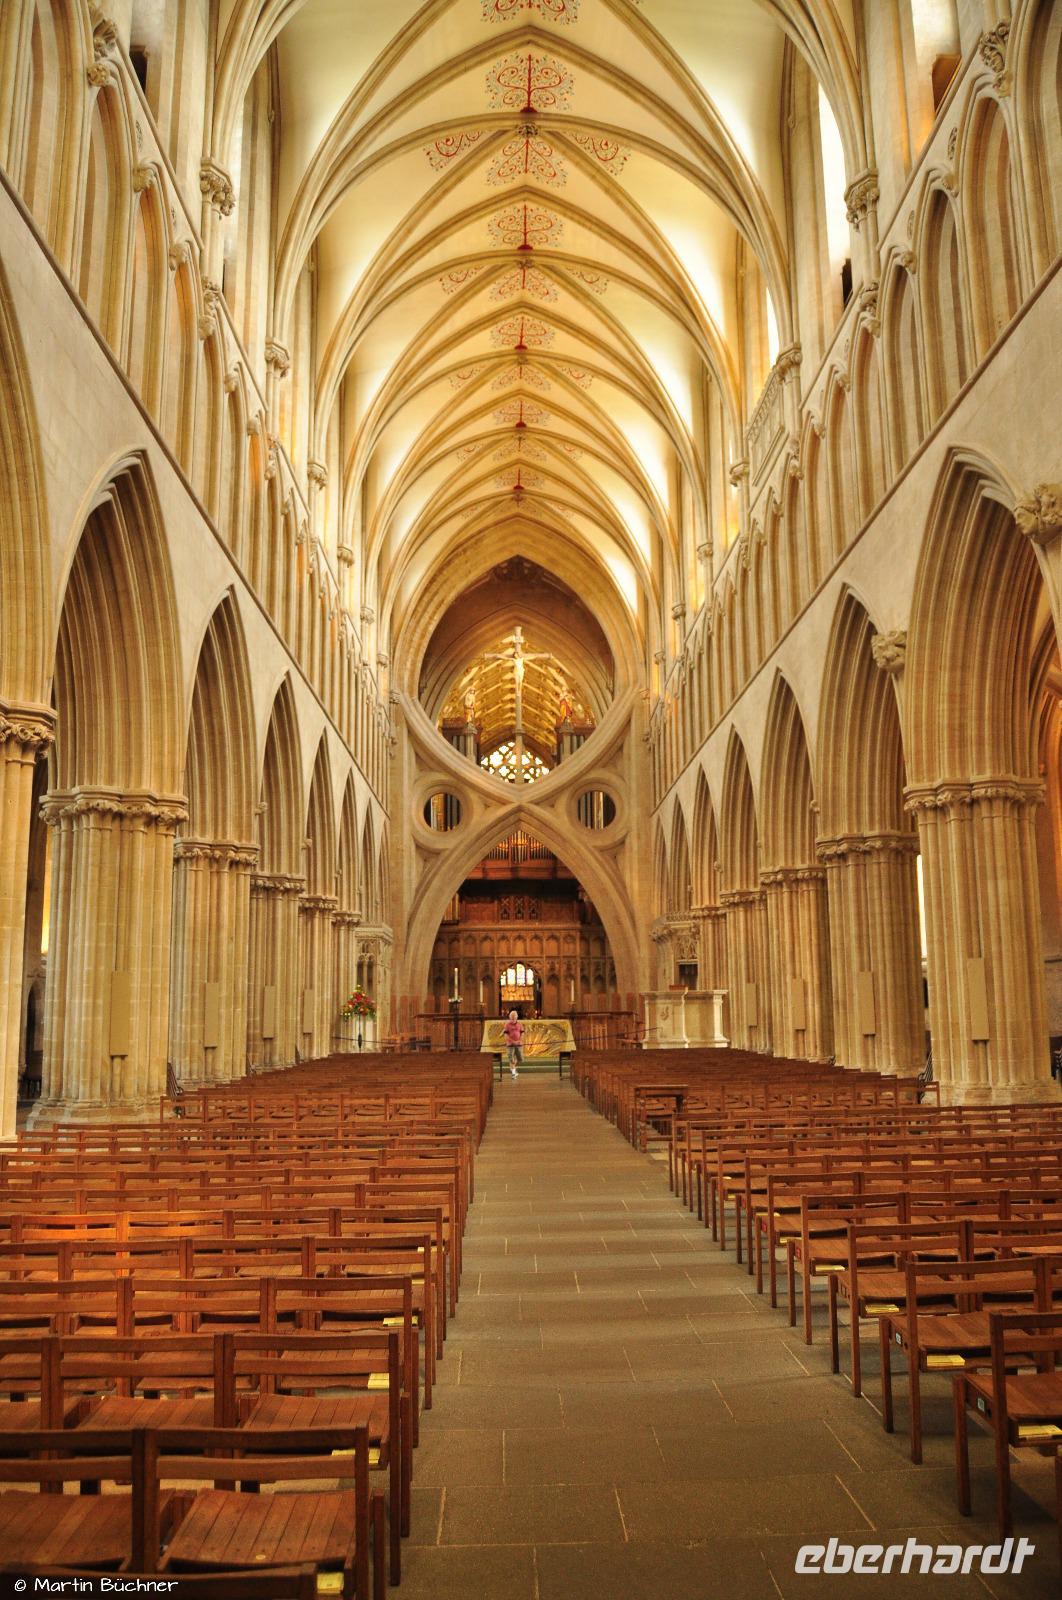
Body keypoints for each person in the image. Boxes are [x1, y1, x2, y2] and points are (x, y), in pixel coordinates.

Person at [502, 1009, 524, 1079]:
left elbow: (522, 1033)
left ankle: (513, 1068)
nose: (513, 1018)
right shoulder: (507, 1025)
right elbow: (505, 1035)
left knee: (520, 1059)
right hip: (510, 1044)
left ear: (517, 1017)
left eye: (514, 1017)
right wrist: (512, 1041)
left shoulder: (520, 1024)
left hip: (519, 1044)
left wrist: (519, 1040)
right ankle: (513, 1073)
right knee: (511, 1059)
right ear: (510, 1017)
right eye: (512, 1017)